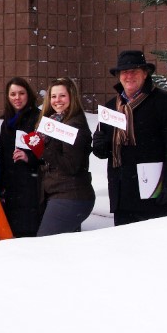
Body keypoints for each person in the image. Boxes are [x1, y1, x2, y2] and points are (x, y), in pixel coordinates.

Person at [92, 50, 167, 225]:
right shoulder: (111, 107)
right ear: (119, 76)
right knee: (128, 249)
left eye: (134, 71)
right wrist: (99, 144)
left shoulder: (165, 103)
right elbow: (104, 152)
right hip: (122, 194)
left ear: (145, 74)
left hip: (154, 193)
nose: (129, 76)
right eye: (124, 72)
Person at [37, 77, 95, 236]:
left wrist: (42, 149)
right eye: (53, 96)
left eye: (62, 96)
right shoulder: (55, 121)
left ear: (72, 97)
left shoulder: (72, 125)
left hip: (70, 196)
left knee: (44, 245)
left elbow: (71, 166)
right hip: (59, 193)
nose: (57, 100)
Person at [0, 77, 43, 238]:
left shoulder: (38, 118)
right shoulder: (7, 121)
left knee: (29, 232)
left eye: (21, 93)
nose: (17, 98)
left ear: (28, 95)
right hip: (11, 187)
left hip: (31, 184)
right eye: (13, 94)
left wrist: (29, 157)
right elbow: (2, 153)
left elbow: (47, 153)